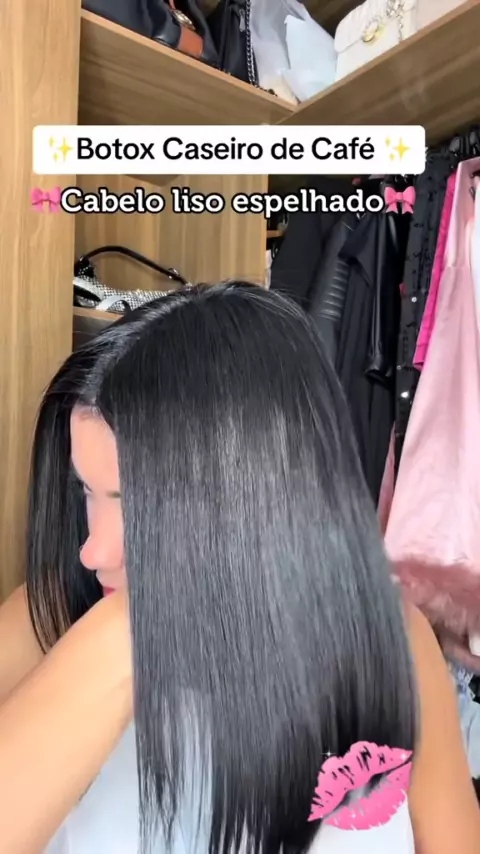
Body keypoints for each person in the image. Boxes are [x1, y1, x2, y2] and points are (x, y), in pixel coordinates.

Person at [0, 282, 478, 854]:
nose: (91, 552)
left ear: (255, 500)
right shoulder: (48, 621)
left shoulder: (390, 637)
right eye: (87, 490)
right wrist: (121, 637)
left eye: (136, 505)